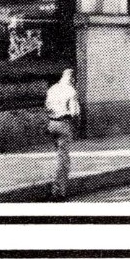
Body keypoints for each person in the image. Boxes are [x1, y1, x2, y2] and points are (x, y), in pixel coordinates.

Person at [44, 68, 80, 199]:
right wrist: (75, 127)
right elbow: (75, 112)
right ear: (72, 79)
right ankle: (59, 191)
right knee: (64, 160)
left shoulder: (52, 89)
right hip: (64, 124)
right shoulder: (71, 91)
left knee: (59, 156)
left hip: (51, 124)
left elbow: (47, 106)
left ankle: (56, 187)